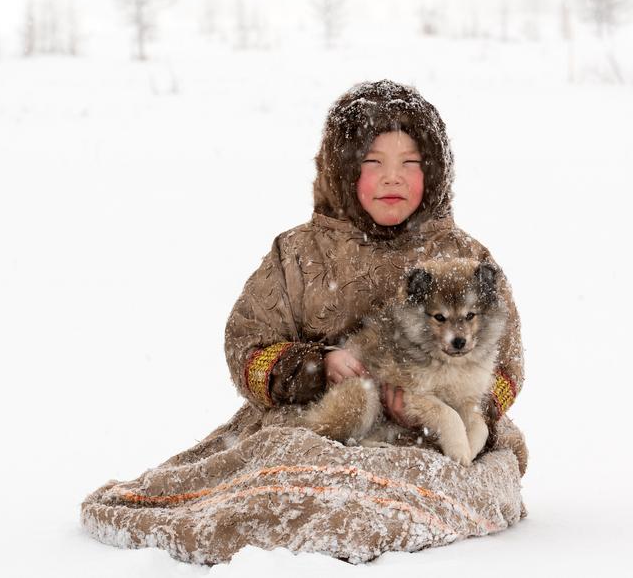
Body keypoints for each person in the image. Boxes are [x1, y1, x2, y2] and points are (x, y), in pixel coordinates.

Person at [165, 78, 526, 470]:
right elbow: (246, 346)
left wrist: (449, 404)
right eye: (373, 162)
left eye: (410, 163)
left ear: (434, 171)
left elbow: (506, 365)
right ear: (342, 170)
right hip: (321, 425)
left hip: (436, 437)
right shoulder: (299, 254)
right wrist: (315, 366)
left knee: (476, 474)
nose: (393, 177)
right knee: (301, 479)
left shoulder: (465, 258)